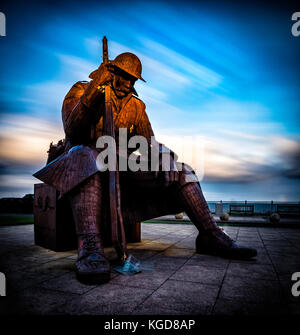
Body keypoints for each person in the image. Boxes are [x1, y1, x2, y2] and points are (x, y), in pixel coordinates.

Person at [34, 51, 257, 284]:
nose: (128, 83)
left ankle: (211, 236)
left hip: (122, 169)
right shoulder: (81, 90)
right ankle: (89, 246)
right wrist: (96, 89)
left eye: (133, 80)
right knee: (87, 156)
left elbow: (149, 144)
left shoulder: (136, 106)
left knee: (183, 171)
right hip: (82, 162)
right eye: (123, 76)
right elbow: (73, 130)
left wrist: (166, 155)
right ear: (112, 72)